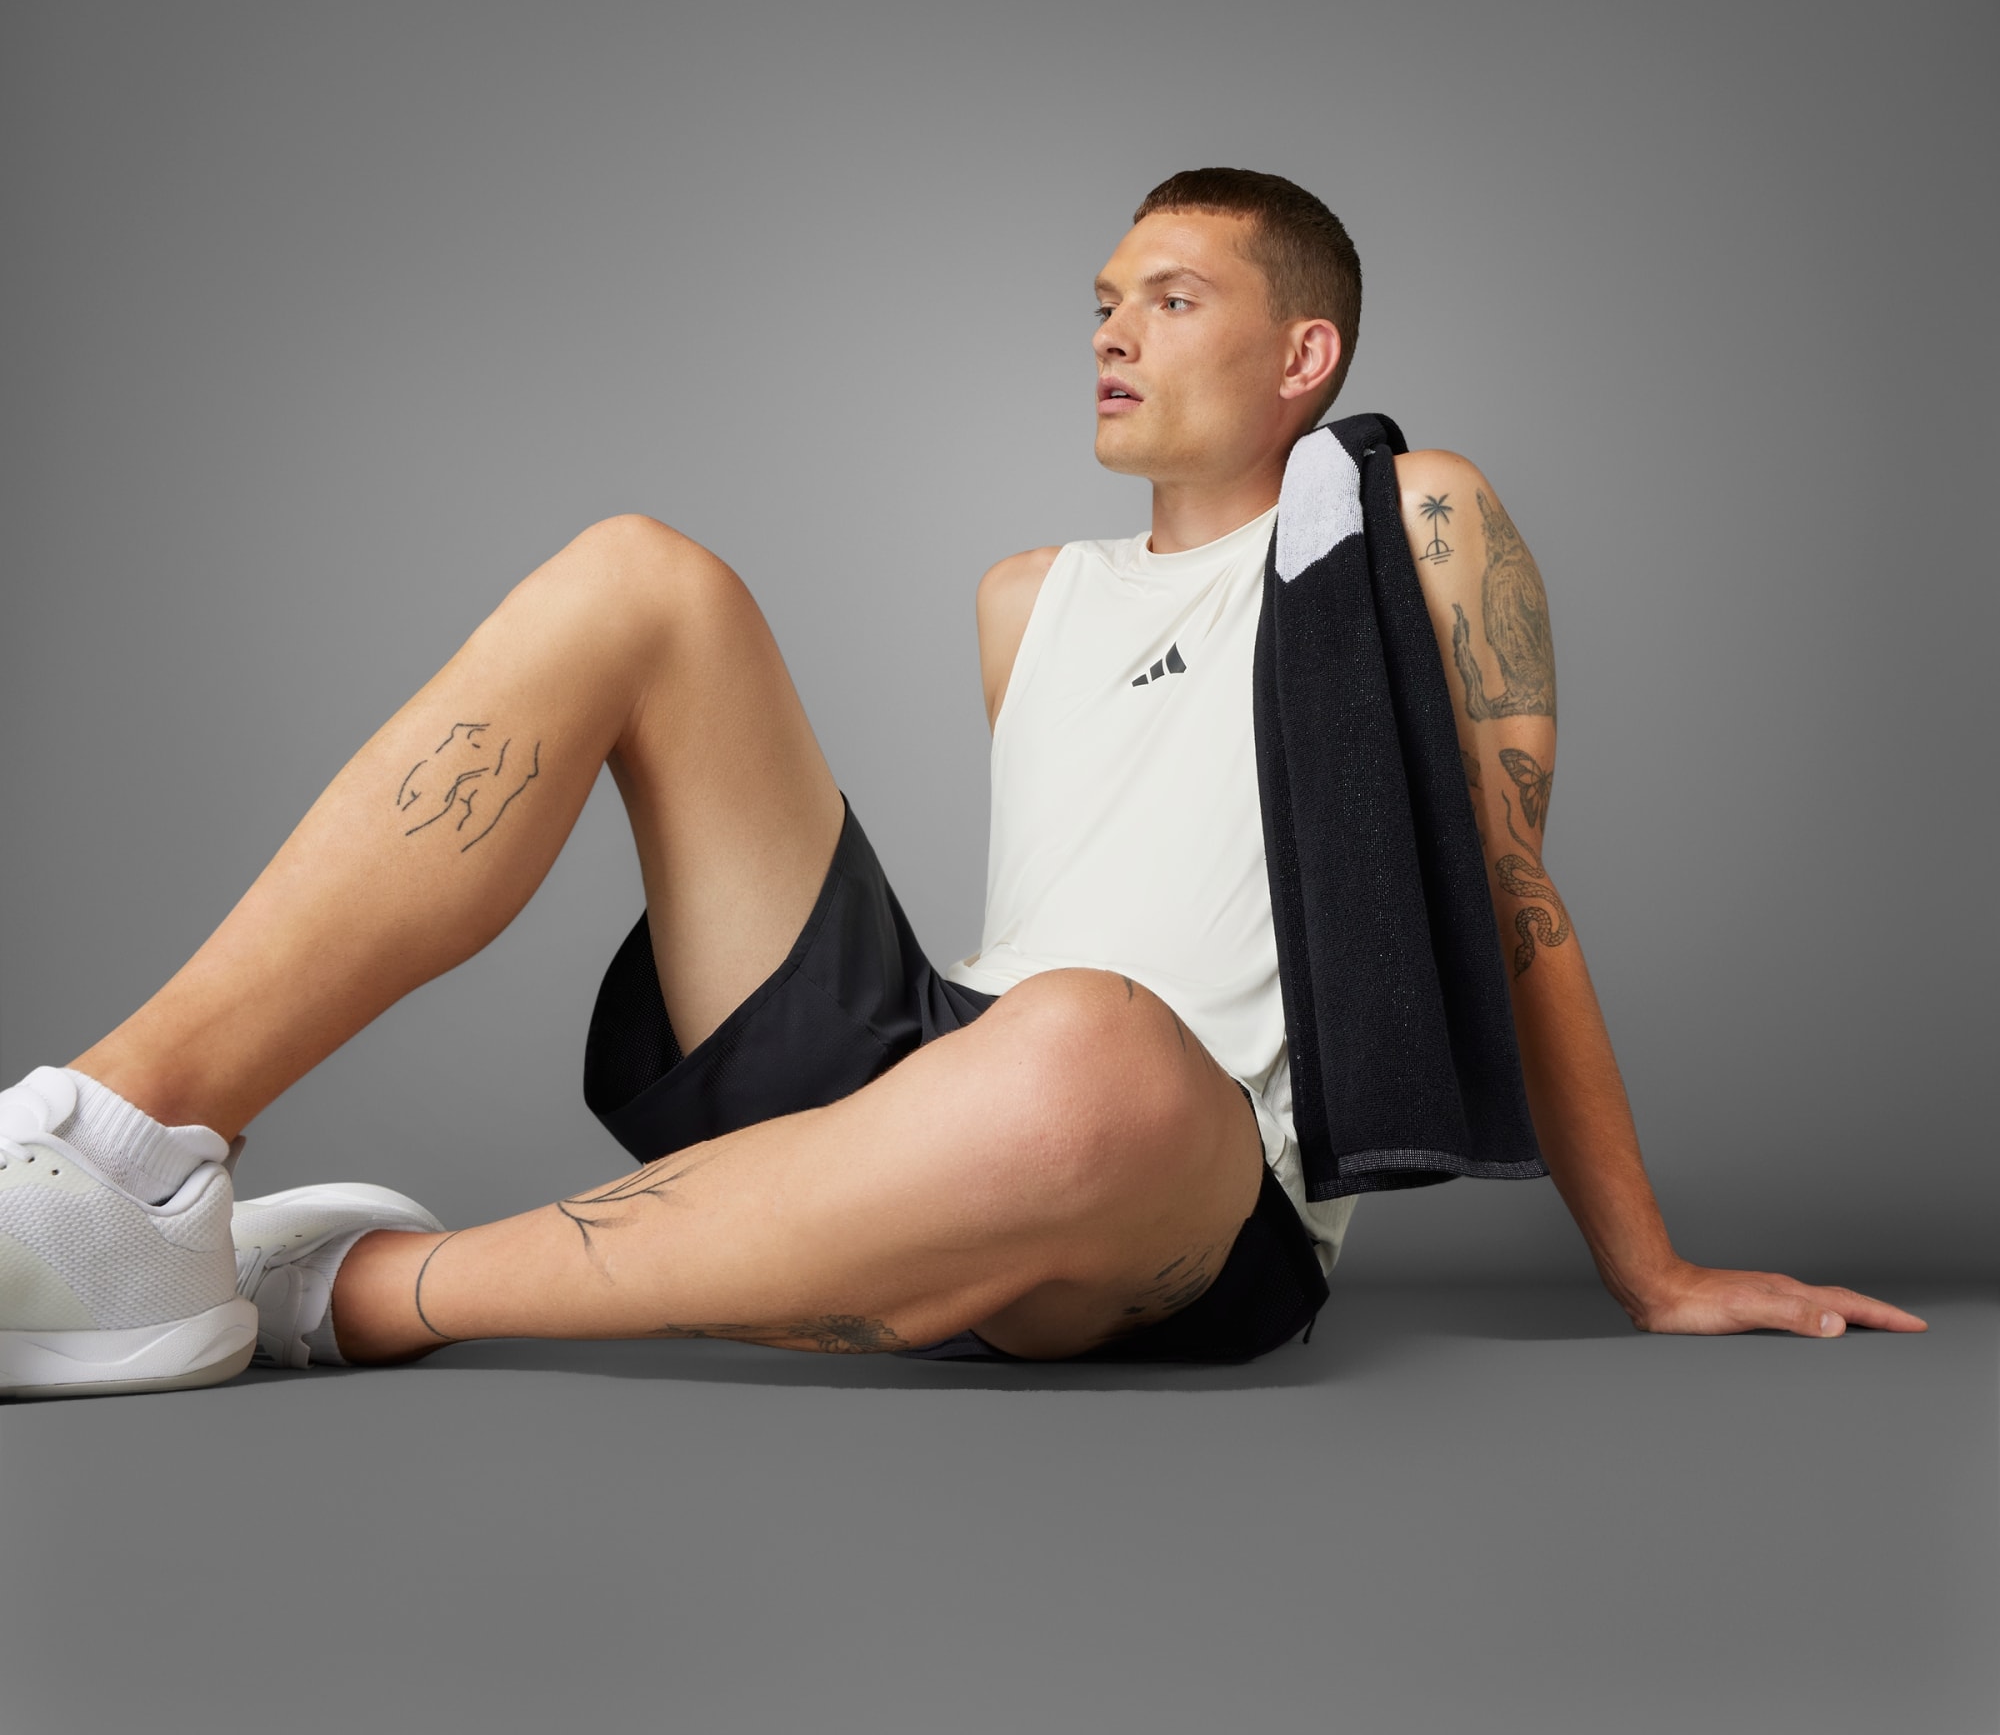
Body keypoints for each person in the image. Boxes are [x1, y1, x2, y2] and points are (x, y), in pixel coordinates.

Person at [0, 168, 1923, 1400]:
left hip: (1175, 1180)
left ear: (1304, 354)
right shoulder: (1027, 597)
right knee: (638, 578)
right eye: (1102, 298)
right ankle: (121, 1148)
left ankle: (354, 1288)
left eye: (1173, 297)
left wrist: (1652, 1272)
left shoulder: (1413, 516)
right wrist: (956, 1070)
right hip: (936, 1067)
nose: (1112, 330)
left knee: (1086, 1038)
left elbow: (1510, 899)